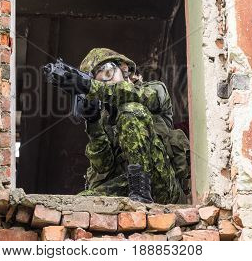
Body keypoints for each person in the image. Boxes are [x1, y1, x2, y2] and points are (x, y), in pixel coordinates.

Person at [59, 48, 189, 204]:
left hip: (163, 185)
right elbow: (103, 166)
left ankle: (141, 194)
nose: (104, 85)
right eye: (98, 82)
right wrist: (93, 122)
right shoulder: (104, 116)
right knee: (81, 202)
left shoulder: (154, 90)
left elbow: (132, 95)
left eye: (108, 73)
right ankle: (137, 195)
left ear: (124, 69)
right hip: (126, 188)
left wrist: (90, 86)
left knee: (130, 110)